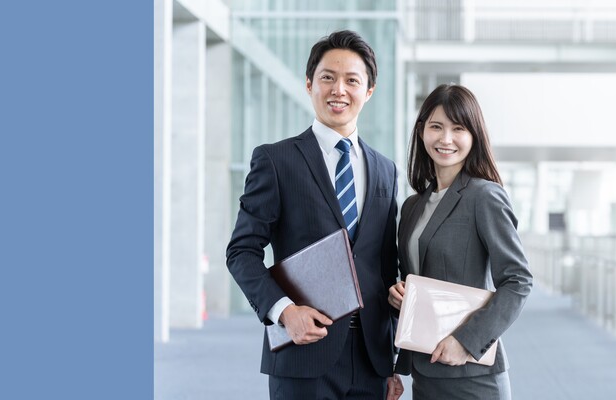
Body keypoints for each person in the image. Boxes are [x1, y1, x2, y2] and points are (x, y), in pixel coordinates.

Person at [226, 30, 404, 400]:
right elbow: (241, 252)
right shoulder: (276, 161)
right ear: (309, 85)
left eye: (352, 81)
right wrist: (285, 311)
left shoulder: (386, 170)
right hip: (302, 352)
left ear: (369, 91)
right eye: (328, 78)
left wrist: (391, 364)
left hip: (372, 360)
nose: (339, 89)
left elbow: (386, 265)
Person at [388, 84, 533, 399]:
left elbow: (518, 281)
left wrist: (466, 341)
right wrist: (401, 295)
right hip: (426, 370)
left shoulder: (485, 196)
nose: (446, 138)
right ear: (421, 130)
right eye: (436, 127)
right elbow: (417, 278)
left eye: (458, 128)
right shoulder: (412, 207)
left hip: (472, 375)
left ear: (474, 136)